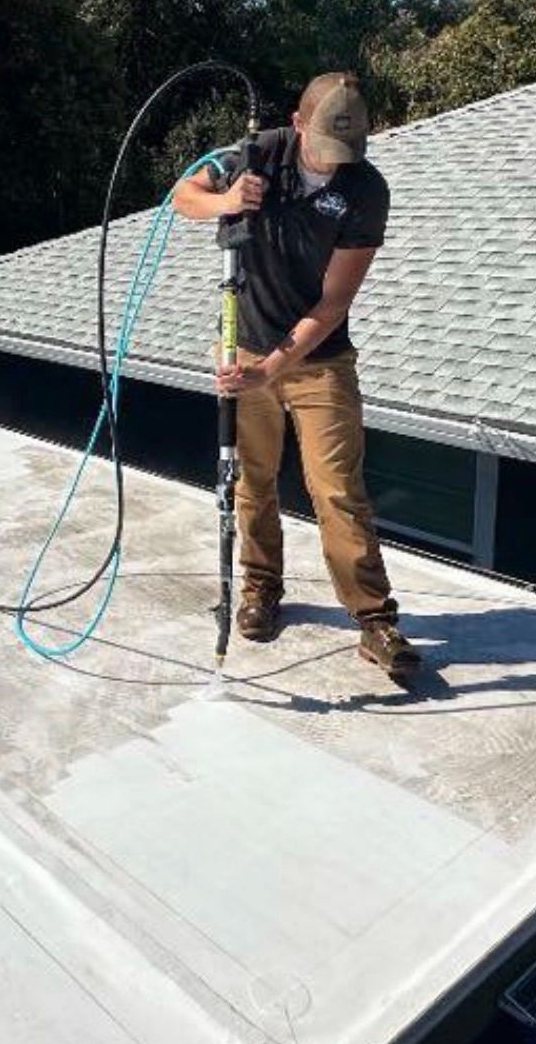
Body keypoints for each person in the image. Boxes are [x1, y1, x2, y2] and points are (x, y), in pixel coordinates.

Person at [173, 71, 421, 681]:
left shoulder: (365, 190)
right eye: (323, 147)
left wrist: (275, 368)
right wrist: (226, 202)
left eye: (346, 152)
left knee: (337, 489)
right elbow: (184, 195)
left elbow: (333, 302)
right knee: (252, 480)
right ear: (298, 123)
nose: (334, 163)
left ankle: (374, 619)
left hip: (321, 360)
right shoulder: (257, 154)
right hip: (244, 346)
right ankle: (261, 589)